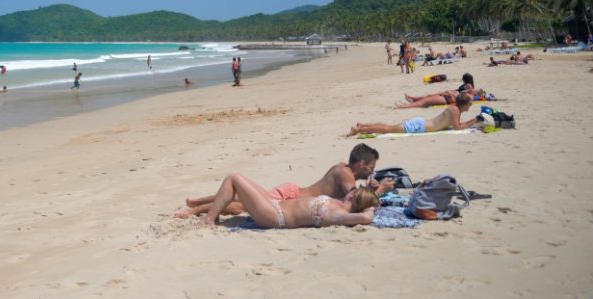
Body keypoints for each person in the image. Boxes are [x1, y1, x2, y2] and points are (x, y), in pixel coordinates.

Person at [176, 144, 392, 218]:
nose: (372, 171)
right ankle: (196, 209)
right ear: (361, 164)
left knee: (242, 199)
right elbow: (355, 200)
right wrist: (379, 190)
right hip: (291, 197)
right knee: (241, 204)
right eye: (371, 167)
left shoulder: (343, 167)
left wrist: (370, 184)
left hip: (291, 193)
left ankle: (196, 202)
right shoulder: (346, 175)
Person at [201, 176, 377, 229]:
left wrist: (370, 207)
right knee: (238, 186)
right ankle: (210, 214)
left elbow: (365, 218)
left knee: (233, 179)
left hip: (275, 215)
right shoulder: (338, 206)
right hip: (275, 205)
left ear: (354, 197)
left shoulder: (339, 214)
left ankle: (209, 220)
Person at [348, 92, 478, 136]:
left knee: (388, 127)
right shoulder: (455, 110)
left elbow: (457, 124)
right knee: (387, 129)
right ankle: (358, 129)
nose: (470, 106)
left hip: (421, 124)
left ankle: (363, 125)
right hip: (419, 127)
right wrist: (475, 120)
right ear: (464, 104)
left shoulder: (455, 109)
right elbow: (457, 127)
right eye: (469, 104)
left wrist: (473, 120)